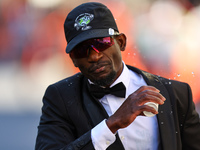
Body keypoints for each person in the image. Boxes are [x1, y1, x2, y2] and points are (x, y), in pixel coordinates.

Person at [35, 2, 200, 150]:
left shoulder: (176, 94)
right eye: (81, 50)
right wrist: (110, 126)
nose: (94, 56)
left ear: (121, 42)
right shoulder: (60, 98)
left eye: (101, 43)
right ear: (73, 59)